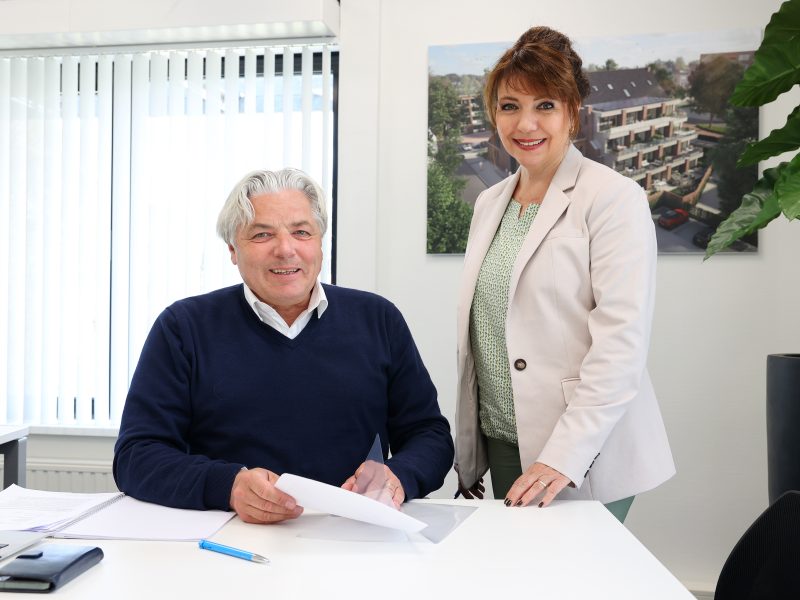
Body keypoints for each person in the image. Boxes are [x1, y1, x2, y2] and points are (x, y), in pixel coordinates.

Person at [114, 168, 454, 524]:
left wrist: (397, 476)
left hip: (354, 530)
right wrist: (227, 486)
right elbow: (137, 456)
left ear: (320, 242)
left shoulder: (378, 319)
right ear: (232, 249)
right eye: (262, 234)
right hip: (231, 535)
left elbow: (429, 436)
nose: (285, 249)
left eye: (301, 232)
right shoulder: (183, 328)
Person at [454, 26, 674, 522]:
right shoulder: (490, 203)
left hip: (582, 448)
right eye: (510, 106)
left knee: (573, 570)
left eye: (545, 105)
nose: (525, 123)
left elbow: (620, 344)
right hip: (503, 438)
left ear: (573, 112)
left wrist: (563, 456)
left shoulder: (613, 197)